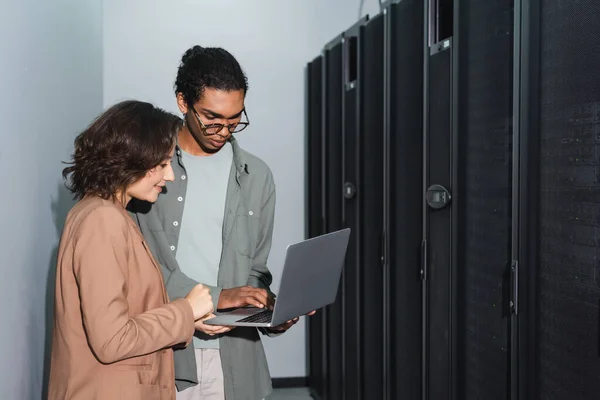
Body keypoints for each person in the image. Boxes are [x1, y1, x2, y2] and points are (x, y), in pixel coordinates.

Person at [129, 46, 307, 400]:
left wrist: (268, 309)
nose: (223, 130)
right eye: (212, 117)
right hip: (163, 355)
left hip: (236, 363)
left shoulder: (257, 176)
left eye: (234, 119)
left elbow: (256, 268)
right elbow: (139, 271)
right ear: (183, 102)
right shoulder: (144, 173)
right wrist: (219, 297)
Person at [48, 100, 228, 400]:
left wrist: (188, 320)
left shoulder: (108, 213)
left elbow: (127, 311)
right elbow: (112, 340)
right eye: (161, 165)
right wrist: (184, 310)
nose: (169, 177)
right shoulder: (101, 219)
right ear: (129, 159)